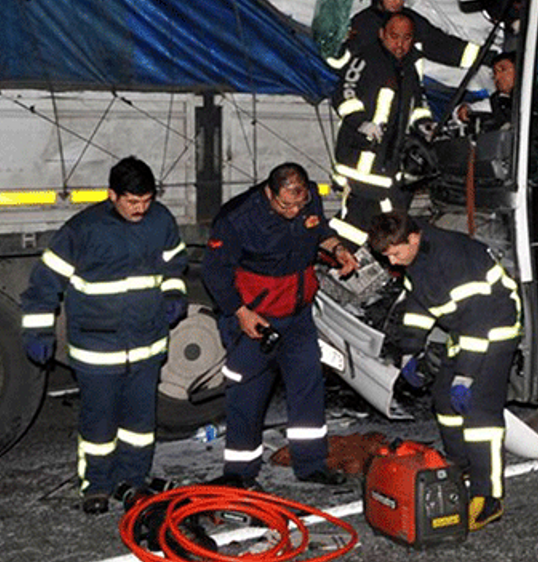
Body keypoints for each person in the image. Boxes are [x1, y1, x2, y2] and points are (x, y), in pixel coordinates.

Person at [20, 156, 188, 515]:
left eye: (146, 201)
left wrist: (175, 293)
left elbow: (174, 262)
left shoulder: (161, 221)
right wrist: (38, 330)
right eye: (132, 202)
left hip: (147, 345)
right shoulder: (83, 230)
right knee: (98, 424)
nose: (140, 210)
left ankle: (133, 481)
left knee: (140, 426)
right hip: (98, 349)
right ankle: (96, 485)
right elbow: (43, 284)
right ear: (112, 195)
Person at [201, 163, 359, 488]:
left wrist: (339, 249)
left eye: (299, 205)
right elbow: (215, 273)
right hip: (256, 320)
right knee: (247, 393)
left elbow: (320, 232)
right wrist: (241, 313)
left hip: (298, 317)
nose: (293, 211)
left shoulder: (308, 196)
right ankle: (240, 474)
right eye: (285, 205)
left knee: (308, 387)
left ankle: (311, 464)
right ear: (269, 192)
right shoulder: (238, 218)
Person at [367, 210, 521, 532]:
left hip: (494, 329)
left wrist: (465, 376)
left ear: (414, 238)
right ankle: (460, 468)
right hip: (464, 332)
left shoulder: (453, 257)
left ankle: (488, 498)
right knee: (445, 402)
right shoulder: (416, 260)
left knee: (480, 414)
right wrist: (410, 352)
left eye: (396, 253)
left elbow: (480, 319)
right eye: (386, 256)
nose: (393, 262)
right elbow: (420, 305)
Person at [330, 12, 433, 249]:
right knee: (360, 221)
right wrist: (360, 122)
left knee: (391, 220)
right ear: (382, 35)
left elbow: (418, 103)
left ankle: (381, 267)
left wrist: (424, 124)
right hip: (362, 161)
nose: (400, 44)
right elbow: (345, 92)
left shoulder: (409, 68)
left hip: (390, 164)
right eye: (394, 37)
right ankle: (339, 259)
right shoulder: (365, 59)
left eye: (406, 38)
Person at [327, 0, 484, 73]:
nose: (398, 1)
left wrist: (486, 57)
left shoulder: (411, 21)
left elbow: (441, 44)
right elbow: (342, 64)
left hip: (404, 93)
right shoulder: (364, 22)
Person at [456, 51, 516, 133]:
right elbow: (468, 110)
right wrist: (465, 109)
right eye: (495, 73)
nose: (497, 77)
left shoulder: (534, 91)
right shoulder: (497, 102)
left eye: (503, 69)